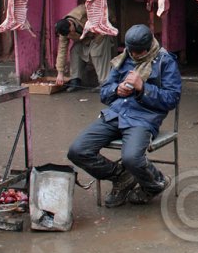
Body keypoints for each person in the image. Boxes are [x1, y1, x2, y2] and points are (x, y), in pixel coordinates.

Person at [67, 25, 181, 207]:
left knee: (131, 158)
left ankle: (155, 183)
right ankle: (121, 176)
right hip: (115, 115)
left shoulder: (164, 61)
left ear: (149, 46)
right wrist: (116, 90)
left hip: (143, 119)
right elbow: (104, 92)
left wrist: (143, 88)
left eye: (138, 52)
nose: (134, 55)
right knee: (77, 150)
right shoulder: (123, 58)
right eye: (131, 51)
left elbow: (172, 98)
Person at [55, 3, 115, 92]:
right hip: (86, 40)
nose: (70, 35)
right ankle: (75, 80)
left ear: (70, 24)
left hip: (100, 35)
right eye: (67, 35)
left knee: (96, 52)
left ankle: (104, 82)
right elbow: (62, 50)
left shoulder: (82, 11)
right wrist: (60, 72)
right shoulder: (63, 30)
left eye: (70, 32)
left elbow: (103, 9)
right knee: (75, 50)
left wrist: (112, 18)